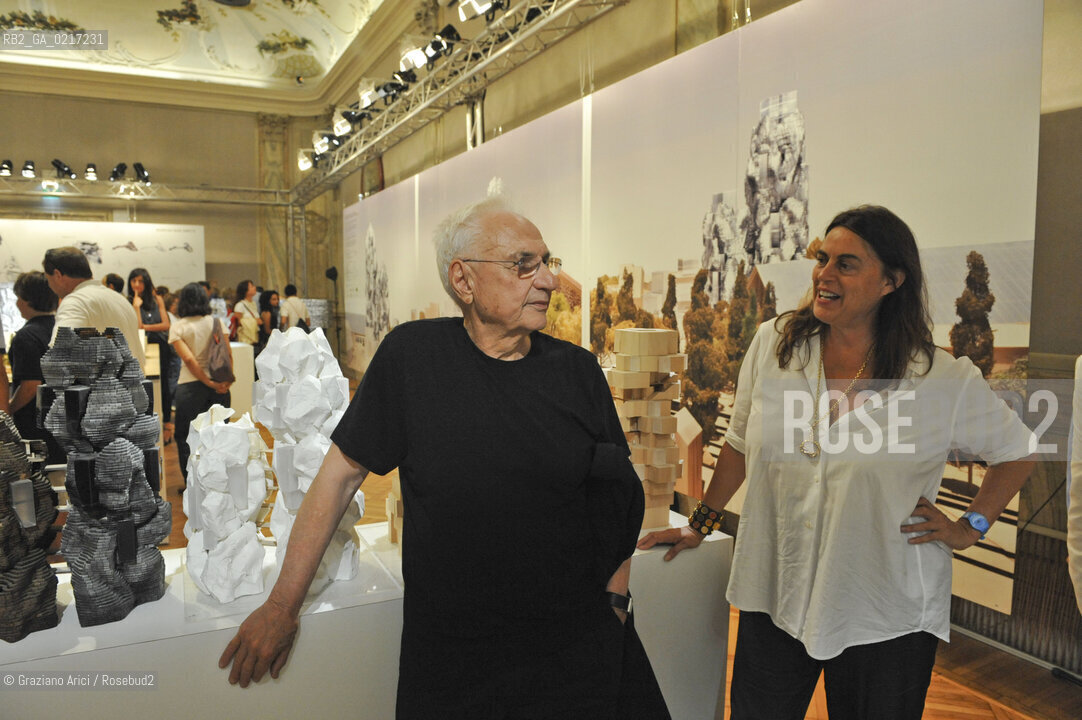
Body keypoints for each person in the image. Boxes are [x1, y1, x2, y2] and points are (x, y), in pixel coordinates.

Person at [219, 196, 669, 718]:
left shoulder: (577, 371)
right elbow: (339, 477)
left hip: (576, 656)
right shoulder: (413, 359)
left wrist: (614, 607)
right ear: (463, 280)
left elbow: (615, 497)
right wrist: (282, 606)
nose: (547, 280)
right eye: (523, 264)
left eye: (547, 262)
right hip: (459, 665)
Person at [638, 205, 1035, 720]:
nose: (824, 274)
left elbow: (1019, 450)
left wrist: (970, 526)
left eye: (846, 264)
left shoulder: (939, 378)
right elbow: (738, 444)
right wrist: (701, 524)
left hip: (883, 611)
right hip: (776, 591)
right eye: (822, 259)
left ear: (892, 281)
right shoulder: (775, 345)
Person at [169, 282, 232, 485]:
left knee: (187, 437)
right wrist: (224, 383)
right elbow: (227, 354)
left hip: (190, 387)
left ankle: (193, 483)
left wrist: (206, 382)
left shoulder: (178, 327)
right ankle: (218, 481)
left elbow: (188, 360)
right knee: (219, 435)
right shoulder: (216, 322)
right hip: (219, 387)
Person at [43, 246, 145, 369]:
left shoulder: (75, 302)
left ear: (57, 275)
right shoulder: (120, 299)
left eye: (48, 279)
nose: (49, 286)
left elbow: (59, 359)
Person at [8, 271, 65, 464]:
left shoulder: (26, 336)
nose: (17, 303)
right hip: (61, 419)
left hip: (35, 423)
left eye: (19, 298)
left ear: (28, 301)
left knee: (38, 475)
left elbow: (30, 385)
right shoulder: (60, 328)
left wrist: (8, 409)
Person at [128, 268, 174, 443]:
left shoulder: (157, 299)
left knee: (164, 385)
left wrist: (146, 327)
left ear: (146, 282)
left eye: (140, 281)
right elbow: (136, 327)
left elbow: (166, 324)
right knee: (142, 385)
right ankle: (145, 425)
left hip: (160, 346)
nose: (137, 285)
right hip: (140, 347)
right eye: (134, 281)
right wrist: (136, 307)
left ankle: (167, 423)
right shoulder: (129, 301)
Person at [232, 279, 260, 346]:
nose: (254, 287)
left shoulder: (253, 303)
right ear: (245, 291)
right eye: (251, 286)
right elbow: (239, 322)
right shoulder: (240, 305)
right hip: (245, 338)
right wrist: (255, 321)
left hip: (254, 336)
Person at [256, 289, 279, 354]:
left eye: (277, 299)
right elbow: (267, 330)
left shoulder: (271, 311)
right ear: (267, 301)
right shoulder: (267, 313)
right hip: (267, 340)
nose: (277, 301)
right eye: (274, 299)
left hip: (271, 338)